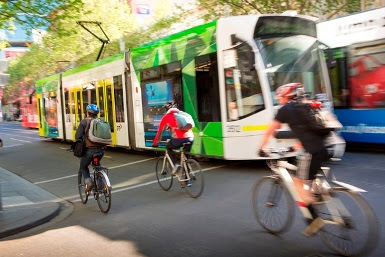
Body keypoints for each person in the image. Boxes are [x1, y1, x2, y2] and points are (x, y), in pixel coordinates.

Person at [258, 83, 329, 207]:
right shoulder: (304, 107)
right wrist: (293, 147)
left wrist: (261, 148)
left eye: (279, 98)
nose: (279, 101)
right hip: (324, 147)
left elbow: (269, 131)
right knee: (308, 179)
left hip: (312, 152)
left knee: (297, 181)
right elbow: (308, 133)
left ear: (285, 96)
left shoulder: (285, 110)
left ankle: (313, 218)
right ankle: (317, 197)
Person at [152, 101, 194, 176]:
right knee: (185, 156)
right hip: (190, 137)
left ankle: (175, 165)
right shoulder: (182, 114)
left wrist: (155, 143)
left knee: (168, 147)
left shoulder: (166, 117)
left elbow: (159, 132)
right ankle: (188, 175)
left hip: (178, 139)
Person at [75, 104, 105, 192]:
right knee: (97, 165)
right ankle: (101, 184)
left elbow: (78, 136)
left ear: (87, 113)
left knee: (83, 166)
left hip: (89, 151)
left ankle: (89, 182)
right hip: (101, 150)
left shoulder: (84, 122)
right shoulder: (100, 122)